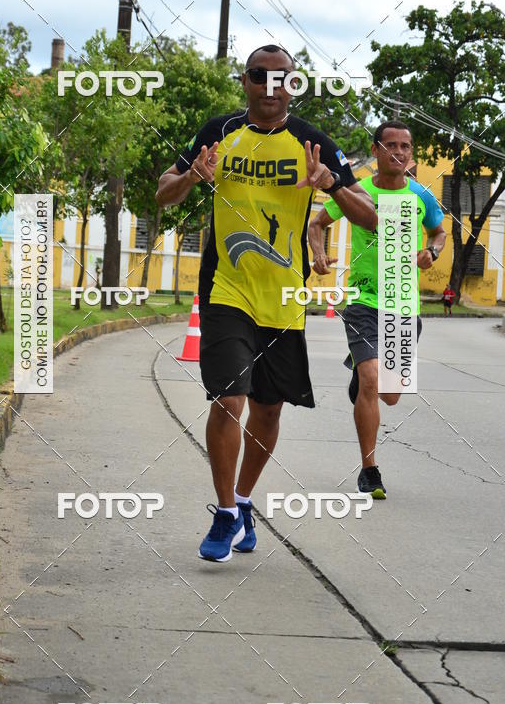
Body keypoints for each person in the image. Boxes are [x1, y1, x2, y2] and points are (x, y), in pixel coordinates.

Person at [156, 44, 377, 561]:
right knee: (228, 400)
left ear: (292, 85)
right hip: (226, 289)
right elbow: (164, 190)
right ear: (245, 81)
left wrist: (332, 188)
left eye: (281, 78)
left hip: (283, 298)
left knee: (268, 409)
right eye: (260, 75)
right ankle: (225, 513)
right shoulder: (218, 132)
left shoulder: (312, 143)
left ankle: (244, 498)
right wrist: (193, 177)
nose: (270, 86)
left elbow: (368, 216)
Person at [309, 120, 446, 499]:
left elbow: (439, 232)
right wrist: (318, 254)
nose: (398, 152)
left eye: (405, 146)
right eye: (390, 145)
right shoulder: (357, 191)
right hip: (363, 302)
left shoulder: (421, 196)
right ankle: (370, 470)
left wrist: (431, 252)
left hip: (404, 304)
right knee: (372, 380)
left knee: (389, 394)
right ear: (375, 151)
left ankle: (360, 374)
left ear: (411, 153)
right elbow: (317, 224)